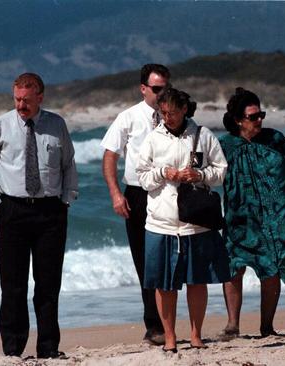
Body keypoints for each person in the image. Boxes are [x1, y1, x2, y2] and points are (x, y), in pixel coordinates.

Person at [0, 72, 78, 358]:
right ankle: (12, 350)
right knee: (13, 286)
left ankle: (48, 349)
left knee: (48, 285)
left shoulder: (56, 124)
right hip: (12, 212)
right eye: (17, 99)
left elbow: (68, 164)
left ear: (40, 98)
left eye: (26, 100)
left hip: (50, 213)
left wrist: (66, 200)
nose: (21, 105)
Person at [136, 88, 230, 351]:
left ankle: (196, 334)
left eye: (173, 113)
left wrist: (198, 175)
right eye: (164, 113)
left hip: (196, 222)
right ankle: (169, 337)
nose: (168, 118)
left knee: (197, 281)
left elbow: (221, 172)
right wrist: (163, 172)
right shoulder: (153, 139)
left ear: (185, 110)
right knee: (164, 284)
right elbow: (141, 177)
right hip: (161, 222)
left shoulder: (203, 135)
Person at [218, 87, 285, 338]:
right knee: (233, 268)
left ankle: (267, 326)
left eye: (261, 115)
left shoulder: (275, 139)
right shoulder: (225, 145)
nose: (259, 120)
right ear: (238, 120)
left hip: (275, 218)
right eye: (253, 116)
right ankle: (232, 324)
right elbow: (209, 175)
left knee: (271, 270)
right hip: (240, 219)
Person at [100, 64, 170, 344]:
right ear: (143, 89)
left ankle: (173, 323)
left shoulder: (175, 115)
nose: (161, 93)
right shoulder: (128, 117)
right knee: (145, 260)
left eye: (165, 87)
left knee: (171, 258)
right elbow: (110, 156)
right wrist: (116, 194)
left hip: (169, 191)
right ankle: (153, 325)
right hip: (138, 193)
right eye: (156, 89)